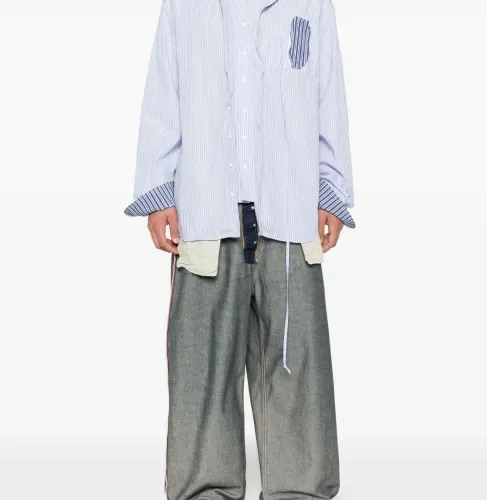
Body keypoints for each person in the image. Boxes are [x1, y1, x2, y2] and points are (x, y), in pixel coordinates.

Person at [125, 1, 355, 499]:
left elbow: (328, 93)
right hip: (205, 212)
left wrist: (331, 189)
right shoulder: (184, 5)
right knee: (201, 372)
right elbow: (164, 91)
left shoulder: (311, 4)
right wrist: (158, 190)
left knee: (296, 368)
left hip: (289, 213)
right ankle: (205, 490)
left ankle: (300, 491)